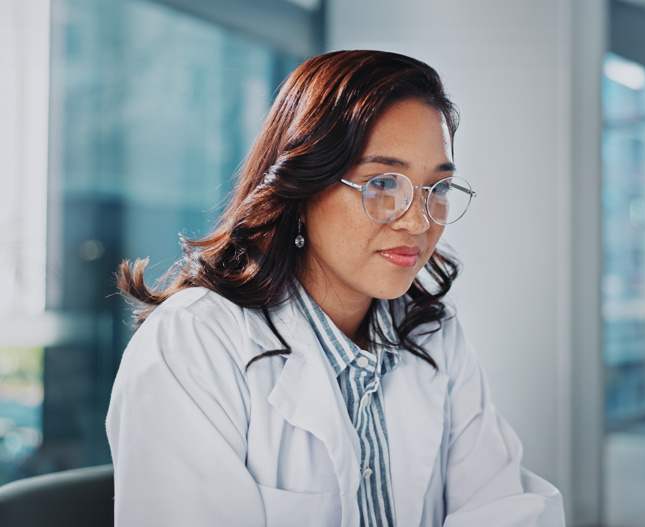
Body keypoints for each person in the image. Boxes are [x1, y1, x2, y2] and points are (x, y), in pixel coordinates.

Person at [106, 50, 565, 526]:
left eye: (438, 189)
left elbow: (505, 506)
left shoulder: (432, 335)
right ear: (304, 187)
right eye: (383, 182)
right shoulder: (194, 343)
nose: (417, 220)